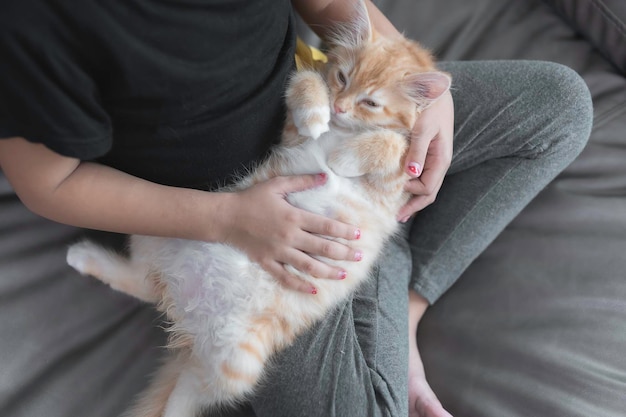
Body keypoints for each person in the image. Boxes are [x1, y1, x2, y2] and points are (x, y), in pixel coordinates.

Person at [0, 1, 592, 416]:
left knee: (559, 105)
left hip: (333, 111)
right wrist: (228, 221)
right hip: (243, 223)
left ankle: (402, 302)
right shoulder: (33, 23)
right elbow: (49, 183)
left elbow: (334, 4)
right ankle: (379, 263)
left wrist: (423, 91)